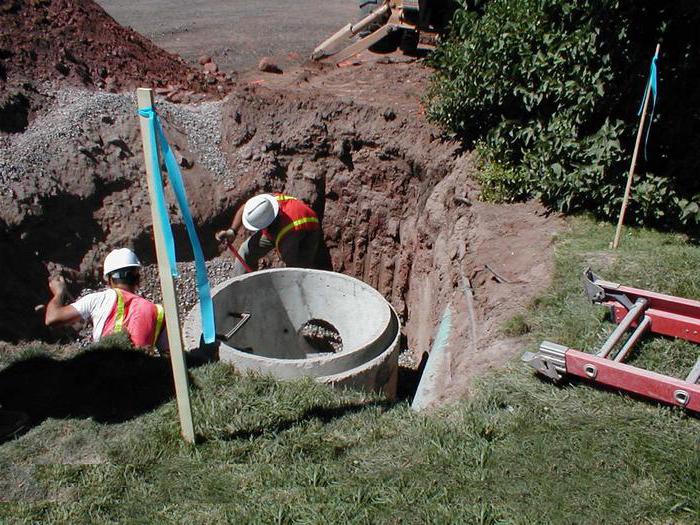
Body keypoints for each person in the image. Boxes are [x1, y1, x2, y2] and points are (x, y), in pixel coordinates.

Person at [44, 248, 167, 354]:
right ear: (138, 278)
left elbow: (52, 318)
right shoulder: (158, 311)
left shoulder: (99, 299)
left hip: (106, 376)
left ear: (109, 279)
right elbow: (170, 359)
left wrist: (59, 293)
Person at [216, 193, 321, 275]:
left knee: (297, 269)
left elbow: (288, 265)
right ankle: (240, 287)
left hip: (307, 230)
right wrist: (232, 231)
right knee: (246, 250)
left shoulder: (288, 235)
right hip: (280, 224)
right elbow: (245, 208)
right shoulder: (266, 203)